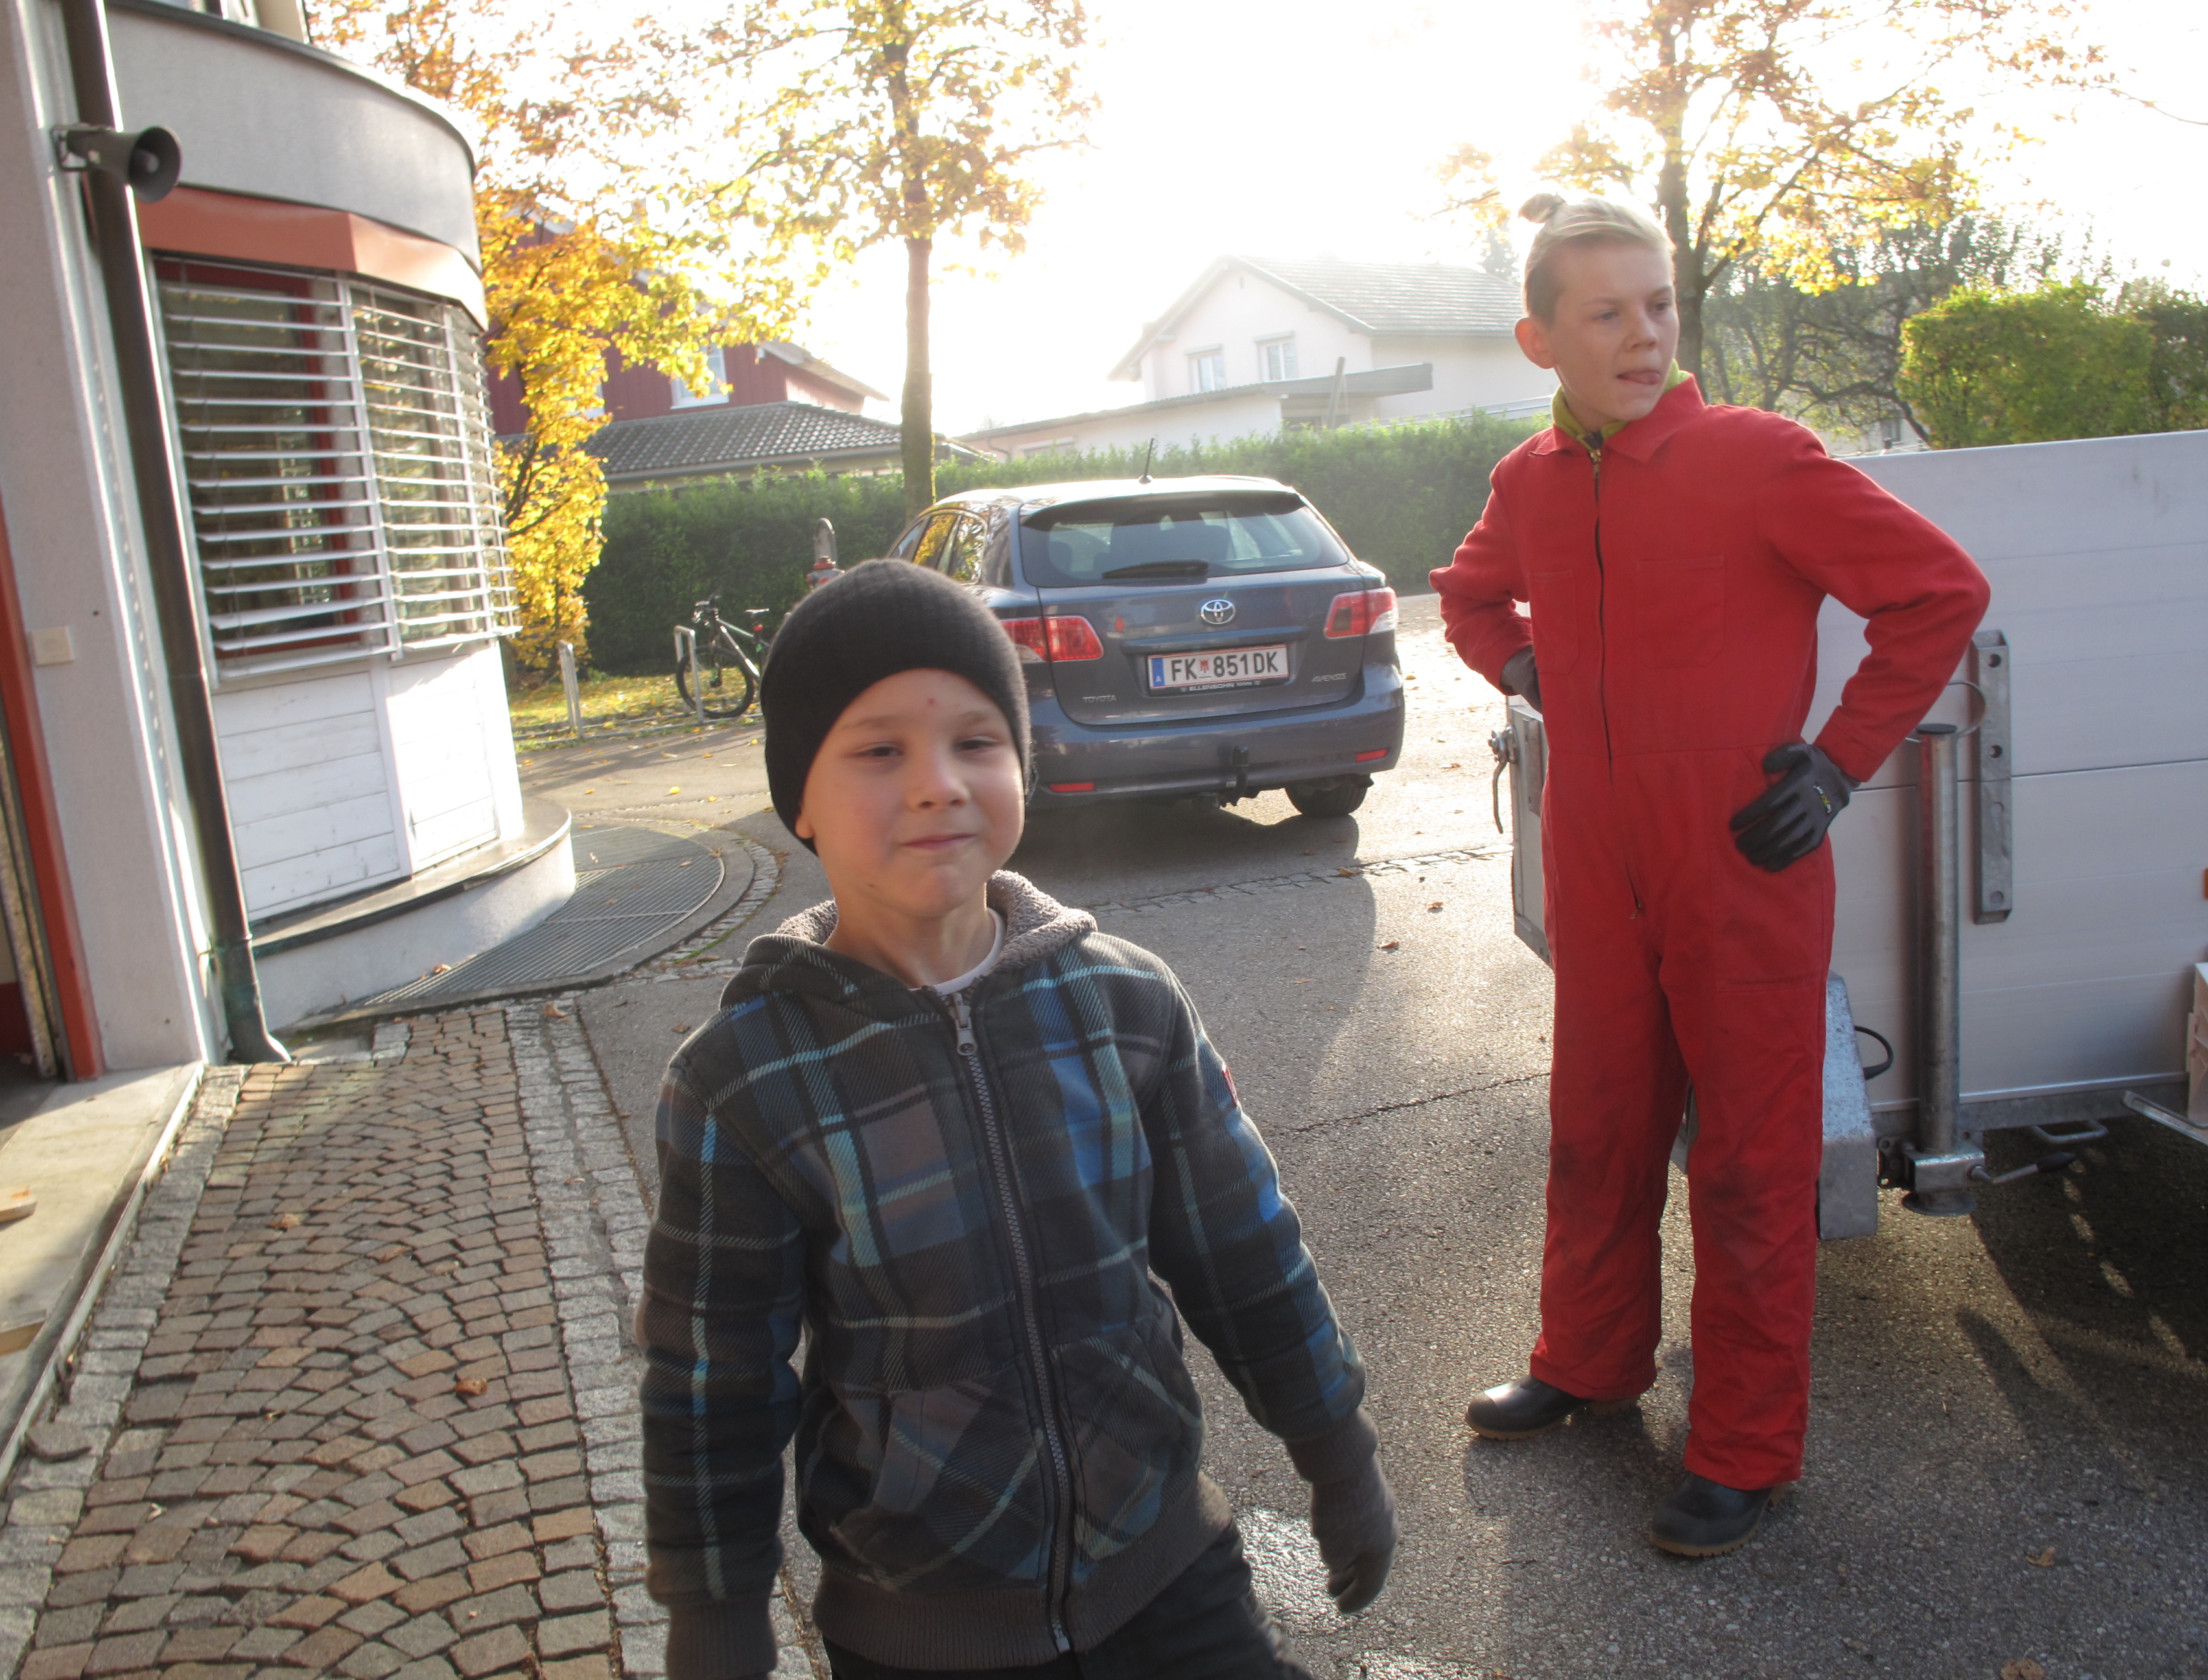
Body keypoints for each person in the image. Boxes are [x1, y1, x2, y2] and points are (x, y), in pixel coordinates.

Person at [639, 559, 1398, 1679]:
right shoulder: (745, 1081)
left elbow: (1243, 1249)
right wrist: (715, 1613)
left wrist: (1337, 1446)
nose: (938, 784)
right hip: (920, 1636)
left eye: (977, 741)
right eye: (880, 751)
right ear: (800, 798)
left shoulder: (1125, 1001)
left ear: (1022, 767)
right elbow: (714, 1380)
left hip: (1169, 1573)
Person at [1433, 194, 1989, 1558]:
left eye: (1660, 304)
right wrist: (1520, 663)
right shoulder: (1529, 481)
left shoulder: (1757, 458)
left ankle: (1743, 1449)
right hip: (1597, 854)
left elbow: (1939, 592)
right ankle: (1587, 1359)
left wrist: (1838, 764)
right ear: (1540, 339)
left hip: (1741, 861)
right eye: (1607, 312)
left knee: (1750, 1157)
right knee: (1600, 1123)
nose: (1644, 334)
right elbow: (1469, 595)